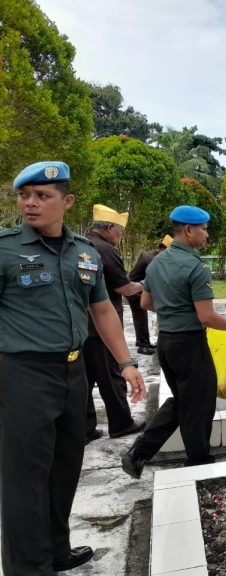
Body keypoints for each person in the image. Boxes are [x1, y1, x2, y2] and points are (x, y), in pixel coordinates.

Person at [0, 161, 145, 575]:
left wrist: (127, 363)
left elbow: (101, 309)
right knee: (25, 476)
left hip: (73, 371)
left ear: (67, 201)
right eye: (24, 196)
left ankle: (56, 549)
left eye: (42, 196)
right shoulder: (6, 249)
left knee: (66, 464)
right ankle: (28, 567)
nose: (30, 204)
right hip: (22, 373)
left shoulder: (84, 252)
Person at [121, 205, 226, 479]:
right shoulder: (196, 266)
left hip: (166, 344)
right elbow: (206, 316)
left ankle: (139, 454)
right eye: (204, 229)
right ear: (189, 230)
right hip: (190, 345)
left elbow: (145, 302)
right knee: (200, 403)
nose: (206, 235)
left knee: (184, 400)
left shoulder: (156, 262)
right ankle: (198, 462)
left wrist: (173, 310)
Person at [84, 204, 146, 443]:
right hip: (102, 327)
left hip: (83, 326)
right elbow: (124, 287)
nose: (120, 238)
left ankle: (86, 428)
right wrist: (146, 285)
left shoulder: (82, 244)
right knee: (112, 377)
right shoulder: (105, 249)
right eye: (119, 232)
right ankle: (121, 423)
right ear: (109, 227)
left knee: (86, 380)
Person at [127, 234, 173, 355]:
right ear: (164, 248)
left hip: (141, 288)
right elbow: (156, 280)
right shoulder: (150, 258)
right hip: (134, 290)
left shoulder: (157, 256)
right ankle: (143, 345)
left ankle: (144, 342)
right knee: (140, 317)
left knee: (144, 315)